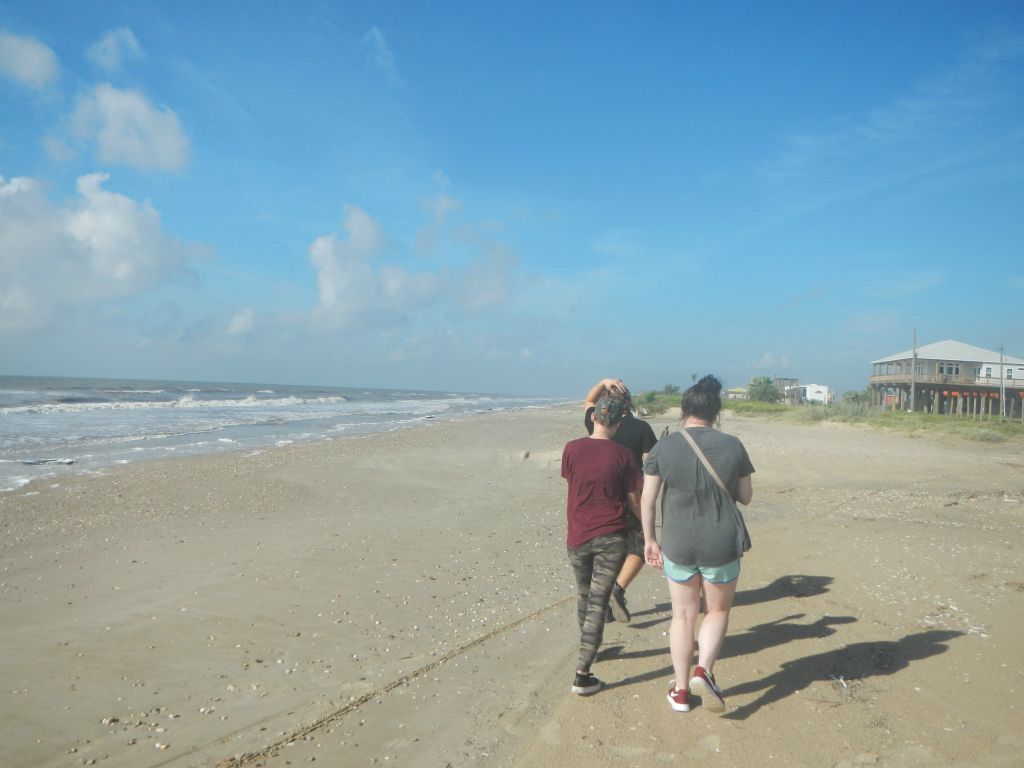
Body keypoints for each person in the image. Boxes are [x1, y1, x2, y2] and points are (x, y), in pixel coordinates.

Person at [640, 375, 754, 713]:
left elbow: (647, 498)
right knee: (717, 610)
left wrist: (649, 539)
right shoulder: (733, 445)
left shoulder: (664, 447)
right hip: (720, 540)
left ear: (683, 410)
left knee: (682, 617)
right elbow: (746, 497)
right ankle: (704, 670)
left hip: (678, 542)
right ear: (716, 412)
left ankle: (680, 692)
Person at [562, 394, 643, 695]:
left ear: (594, 417)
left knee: (585, 598)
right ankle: (582, 674)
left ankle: (589, 652)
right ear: (620, 423)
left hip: (577, 536)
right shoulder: (623, 456)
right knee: (598, 601)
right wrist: (647, 527)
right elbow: (635, 499)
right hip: (610, 537)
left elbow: (572, 481)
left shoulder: (572, 448)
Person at [583, 378, 657, 623]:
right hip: (631, 496)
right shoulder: (642, 428)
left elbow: (588, 401)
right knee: (640, 544)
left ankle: (604, 599)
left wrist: (603, 381)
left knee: (606, 550)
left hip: (599, 497)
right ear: (628, 401)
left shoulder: (596, 422)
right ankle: (618, 588)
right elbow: (651, 465)